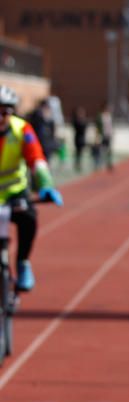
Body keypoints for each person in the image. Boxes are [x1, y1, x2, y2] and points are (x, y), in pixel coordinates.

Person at [0, 86, 64, 291]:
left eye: (5, 111)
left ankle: (23, 263)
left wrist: (45, 185)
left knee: (29, 218)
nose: (0, 116)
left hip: (14, 193)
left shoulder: (23, 130)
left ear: (12, 113)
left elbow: (36, 159)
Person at [95, 104, 114, 172]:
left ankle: (109, 163)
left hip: (108, 135)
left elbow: (111, 126)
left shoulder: (109, 116)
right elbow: (97, 127)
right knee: (100, 150)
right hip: (101, 135)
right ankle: (99, 164)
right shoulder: (100, 116)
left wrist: (112, 134)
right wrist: (97, 136)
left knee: (109, 150)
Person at [71, 106, 89, 172]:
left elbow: (85, 128)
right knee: (77, 152)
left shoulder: (84, 121)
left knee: (81, 152)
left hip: (82, 138)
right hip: (77, 138)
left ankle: (79, 164)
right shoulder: (76, 121)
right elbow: (77, 127)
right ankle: (77, 164)